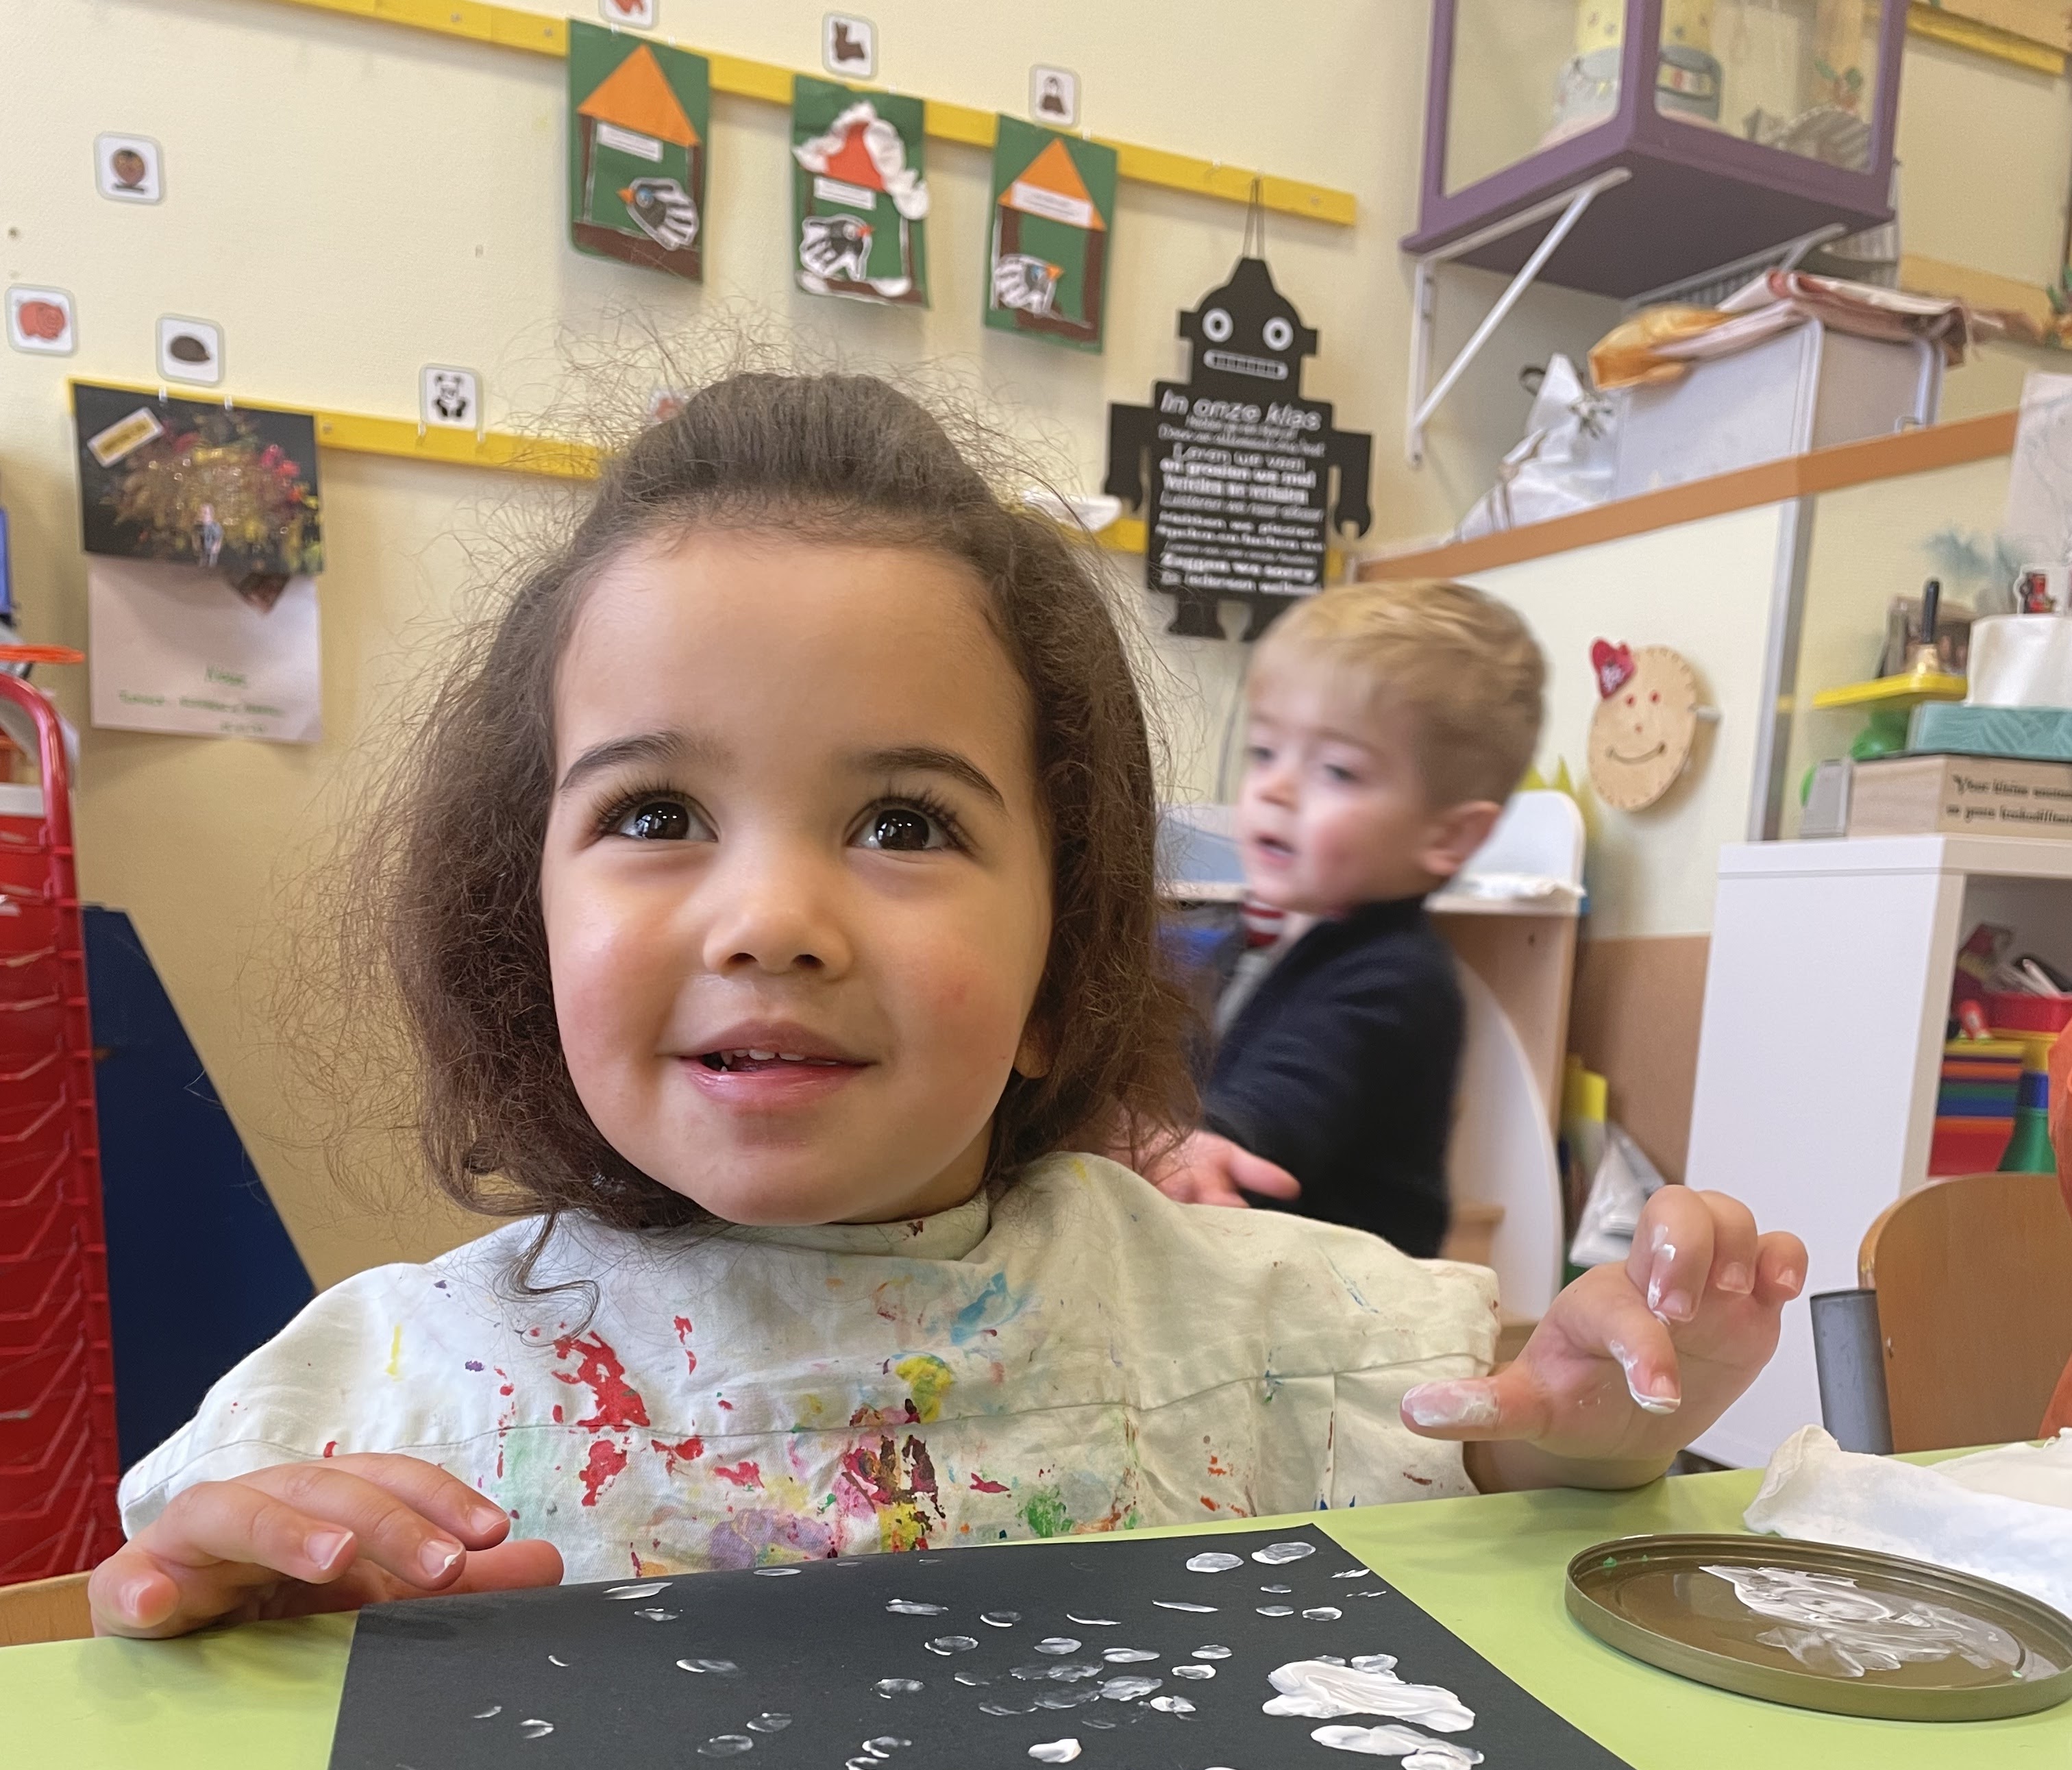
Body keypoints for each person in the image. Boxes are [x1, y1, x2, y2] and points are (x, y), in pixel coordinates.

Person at [90, 374, 1804, 1638]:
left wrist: (1591, 1430)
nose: (773, 920)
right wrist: (211, 1604)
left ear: (1064, 967)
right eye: (656, 814)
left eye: (904, 825)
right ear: (521, 935)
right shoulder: (399, 1388)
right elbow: (156, 1635)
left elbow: (1485, 1462)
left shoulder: (1245, 1330)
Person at [1151, 581, 1538, 1253]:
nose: (1276, 788)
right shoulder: (1259, 941)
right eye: (1265, 752)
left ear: (1447, 836)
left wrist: (1213, 1141)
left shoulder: (1397, 976)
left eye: (1337, 771)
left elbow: (1295, 1090)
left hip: (1355, 1303)